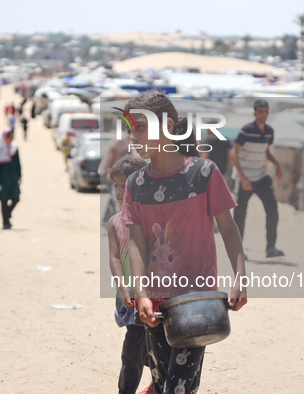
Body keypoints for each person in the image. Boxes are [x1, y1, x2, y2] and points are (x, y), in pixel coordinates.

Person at [120, 91, 247, 394]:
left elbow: (228, 230)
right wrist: (142, 295)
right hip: (155, 304)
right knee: (165, 381)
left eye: (140, 126)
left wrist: (241, 278)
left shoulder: (203, 174)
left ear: (169, 126)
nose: (132, 136)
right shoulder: (135, 184)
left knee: (176, 387)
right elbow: (136, 245)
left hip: (197, 304)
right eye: (129, 129)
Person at [107, 155, 154, 394]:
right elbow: (114, 257)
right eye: (115, 185)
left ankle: (157, 385)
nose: (118, 190)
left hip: (155, 297)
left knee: (156, 349)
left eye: (124, 185)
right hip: (131, 300)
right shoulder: (114, 222)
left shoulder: (153, 219)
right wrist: (122, 286)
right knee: (132, 351)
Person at [230, 99, 285, 258]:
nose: (263, 114)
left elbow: (265, 151)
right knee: (239, 215)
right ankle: (238, 250)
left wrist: (277, 164)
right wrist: (242, 177)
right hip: (244, 179)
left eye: (266, 111)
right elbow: (234, 152)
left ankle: (271, 248)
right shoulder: (246, 130)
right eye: (260, 111)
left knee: (273, 210)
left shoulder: (269, 131)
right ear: (255, 113)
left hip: (261, 177)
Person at [0, 128, 22, 230]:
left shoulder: (14, 148)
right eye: (9, 137)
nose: (11, 139)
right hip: (2, 178)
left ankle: (8, 214)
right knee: (3, 200)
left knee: (16, 198)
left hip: (12, 177)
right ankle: (5, 222)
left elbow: (18, 162)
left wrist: (19, 175)